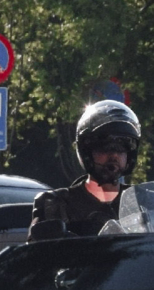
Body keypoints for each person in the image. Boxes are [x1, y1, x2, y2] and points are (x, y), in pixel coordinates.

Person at [30, 100, 141, 239]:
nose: (114, 155)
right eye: (105, 148)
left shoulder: (143, 201)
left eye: (122, 149)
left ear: (130, 154)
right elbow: (37, 254)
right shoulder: (55, 203)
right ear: (87, 151)